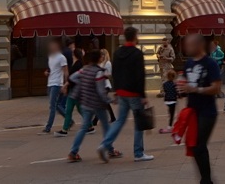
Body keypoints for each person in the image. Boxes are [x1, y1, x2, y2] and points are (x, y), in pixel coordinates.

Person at [98, 26, 154, 162]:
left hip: (121, 92)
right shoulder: (137, 53)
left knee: (120, 120)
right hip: (134, 93)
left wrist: (116, 91)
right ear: (135, 37)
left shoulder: (117, 52)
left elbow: (115, 73)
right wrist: (143, 95)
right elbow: (140, 75)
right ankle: (138, 153)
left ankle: (105, 144)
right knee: (138, 122)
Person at [178, 33, 222, 184]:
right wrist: (182, 89)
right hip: (192, 111)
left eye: (190, 45)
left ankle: (206, 180)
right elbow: (185, 82)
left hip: (207, 111)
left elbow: (216, 88)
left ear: (199, 45)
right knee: (194, 145)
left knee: (198, 145)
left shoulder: (210, 64)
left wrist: (196, 90)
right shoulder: (188, 63)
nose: (187, 48)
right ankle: (206, 179)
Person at [67, 49, 112, 162]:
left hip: (86, 102)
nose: (102, 57)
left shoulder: (84, 69)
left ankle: (73, 152)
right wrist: (108, 100)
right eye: (101, 56)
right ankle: (110, 149)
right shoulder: (98, 72)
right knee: (106, 126)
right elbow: (101, 91)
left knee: (83, 128)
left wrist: (83, 84)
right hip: (97, 103)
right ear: (98, 59)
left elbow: (72, 78)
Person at [39, 38, 68, 134]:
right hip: (50, 83)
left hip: (57, 84)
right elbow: (51, 69)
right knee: (56, 105)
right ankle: (69, 120)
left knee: (52, 106)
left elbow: (65, 71)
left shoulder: (61, 57)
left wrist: (65, 84)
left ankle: (48, 127)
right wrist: (47, 72)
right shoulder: (51, 57)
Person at [57, 48, 86, 136]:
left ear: (74, 55)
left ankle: (89, 125)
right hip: (72, 89)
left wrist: (65, 86)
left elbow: (72, 77)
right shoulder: (75, 64)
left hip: (76, 90)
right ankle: (64, 129)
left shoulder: (78, 64)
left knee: (79, 109)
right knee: (69, 109)